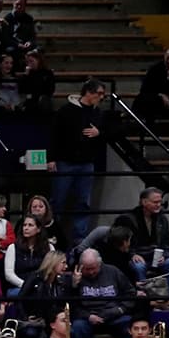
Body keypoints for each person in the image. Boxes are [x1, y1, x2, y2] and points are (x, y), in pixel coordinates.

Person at [51, 81, 108, 243]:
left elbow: (111, 132)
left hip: (86, 162)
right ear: (88, 93)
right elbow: (55, 135)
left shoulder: (98, 113)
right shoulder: (66, 110)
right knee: (58, 200)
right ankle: (53, 234)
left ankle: (79, 237)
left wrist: (99, 133)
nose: (101, 97)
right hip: (65, 161)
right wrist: (52, 158)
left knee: (83, 202)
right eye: (99, 93)